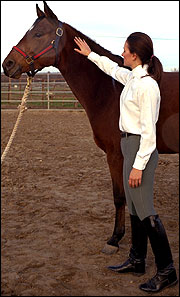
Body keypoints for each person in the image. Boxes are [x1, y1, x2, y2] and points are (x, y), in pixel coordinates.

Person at [74, 32, 178, 293]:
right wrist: (91, 55)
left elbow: (150, 134)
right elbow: (111, 68)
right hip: (127, 145)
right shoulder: (132, 78)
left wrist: (138, 166)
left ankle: (167, 271)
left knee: (146, 211)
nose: (121, 53)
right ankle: (137, 258)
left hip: (140, 149)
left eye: (124, 50)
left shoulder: (147, 87)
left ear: (135, 54)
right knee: (132, 205)